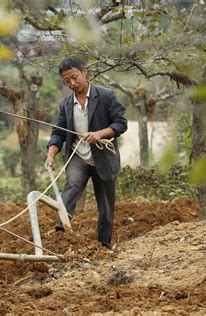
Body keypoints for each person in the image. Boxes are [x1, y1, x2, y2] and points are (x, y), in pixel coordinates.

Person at [45, 56, 127, 250]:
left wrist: (100, 134)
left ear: (84, 71)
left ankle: (103, 245)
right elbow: (58, 133)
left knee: (106, 207)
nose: (72, 83)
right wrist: (50, 155)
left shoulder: (106, 96)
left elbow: (120, 124)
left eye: (74, 77)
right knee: (72, 185)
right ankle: (61, 232)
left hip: (103, 159)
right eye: (67, 81)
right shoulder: (65, 104)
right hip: (78, 157)